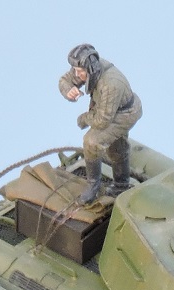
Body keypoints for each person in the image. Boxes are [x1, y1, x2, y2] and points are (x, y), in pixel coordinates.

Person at [58, 44, 141, 204]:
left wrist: (84, 118)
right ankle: (121, 184)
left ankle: (93, 186)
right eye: (75, 70)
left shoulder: (111, 84)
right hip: (110, 111)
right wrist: (68, 89)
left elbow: (102, 121)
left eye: (79, 71)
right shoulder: (88, 67)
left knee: (91, 142)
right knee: (116, 146)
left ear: (90, 69)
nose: (76, 74)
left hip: (124, 114)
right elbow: (65, 80)